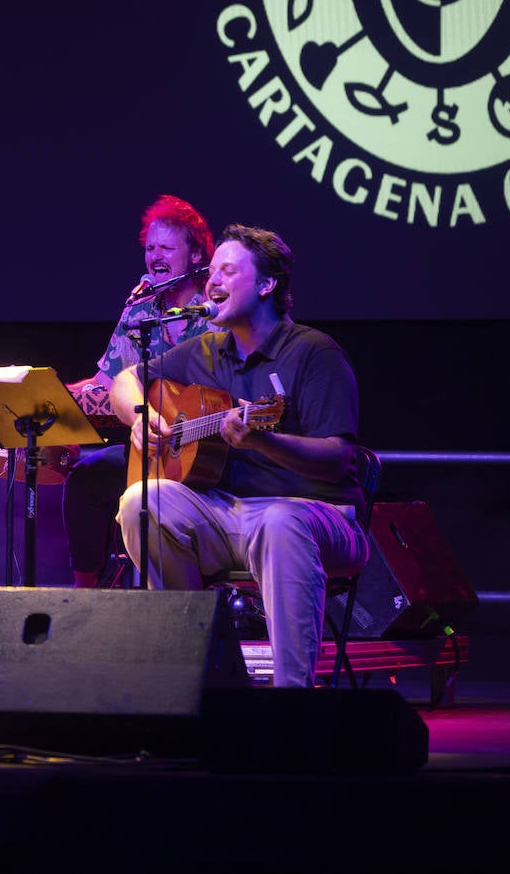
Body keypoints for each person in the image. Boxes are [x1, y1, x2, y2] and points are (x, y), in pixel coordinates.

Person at [109, 224, 370, 687]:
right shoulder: (207, 350)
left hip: (318, 515)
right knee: (143, 501)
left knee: (279, 522)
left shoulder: (314, 353)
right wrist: (140, 414)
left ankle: (292, 701)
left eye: (229, 271)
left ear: (268, 285)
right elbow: (124, 379)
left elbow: (337, 459)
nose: (212, 282)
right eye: (212, 272)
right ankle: (193, 681)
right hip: (228, 515)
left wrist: (262, 440)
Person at [63, 194, 217, 588]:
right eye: (150, 248)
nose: (155, 256)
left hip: (211, 455)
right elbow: (106, 384)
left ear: (196, 254)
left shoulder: (218, 310)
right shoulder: (139, 310)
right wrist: (55, 400)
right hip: (151, 450)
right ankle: (88, 596)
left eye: (167, 246)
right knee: (88, 477)